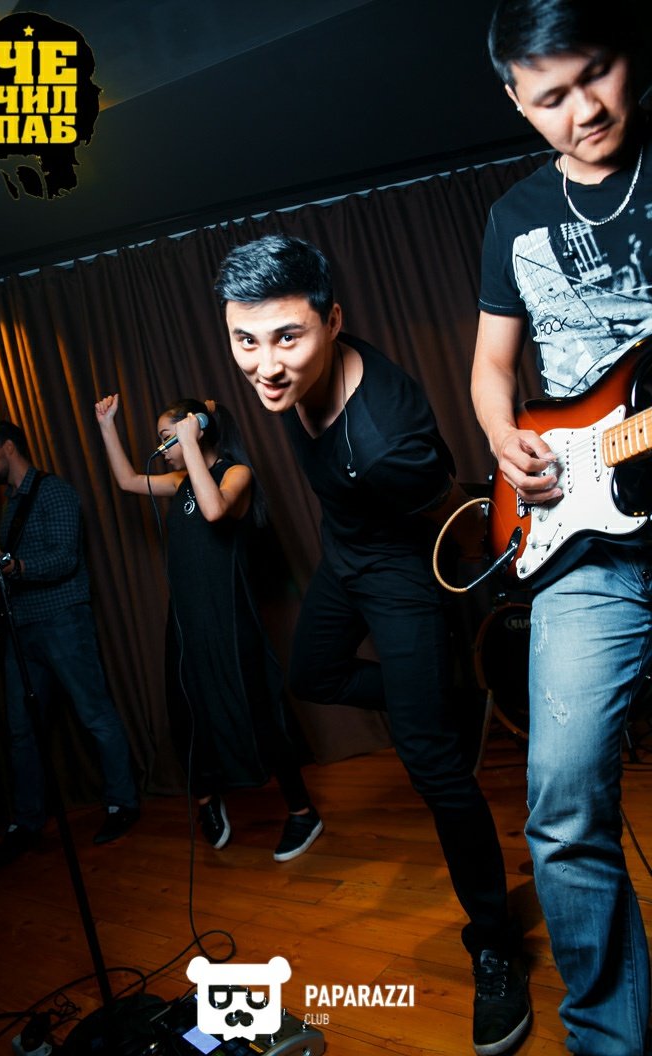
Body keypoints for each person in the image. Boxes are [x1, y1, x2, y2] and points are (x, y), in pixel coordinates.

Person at [214, 233, 530, 1056]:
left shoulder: (391, 438)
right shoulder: (290, 377)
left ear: (333, 321)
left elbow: (448, 513)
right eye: (246, 340)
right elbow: (275, 368)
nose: (265, 367)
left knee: (433, 767)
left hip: (401, 572)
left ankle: (495, 943)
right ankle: (443, 704)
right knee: (312, 672)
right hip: (345, 555)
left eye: (287, 337)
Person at [471, 2, 652, 1052]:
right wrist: (505, 438)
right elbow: (492, 369)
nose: (583, 110)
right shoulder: (513, 218)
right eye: (550, 97)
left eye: (597, 74)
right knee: (564, 806)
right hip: (581, 541)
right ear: (515, 101)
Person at [94, 393, 323, 861]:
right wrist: (106, 425)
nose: (163, 448)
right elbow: (127, 481)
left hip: (229, 619)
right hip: (186, 621)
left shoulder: (236, 474)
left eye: (169, 437)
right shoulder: (179, 480)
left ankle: (303, 812)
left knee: (259, 711)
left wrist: (192, 442)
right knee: (186, 714)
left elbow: (215, 509)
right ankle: (206, 801)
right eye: (163, 440)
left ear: (195, 431)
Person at [0, 421, 140, 867]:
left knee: (94, 714)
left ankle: (122, 804)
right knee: (22, 731)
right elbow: (12, 564)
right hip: (21, 628)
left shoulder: (55, 492)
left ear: (9, 448)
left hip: (63, 621)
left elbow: (65, 558)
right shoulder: (7, 506)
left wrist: (17, 567)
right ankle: (26, 823)